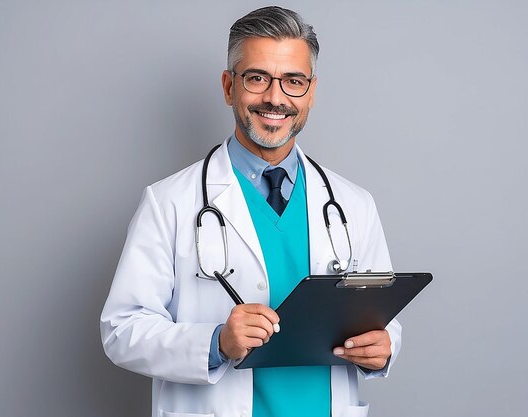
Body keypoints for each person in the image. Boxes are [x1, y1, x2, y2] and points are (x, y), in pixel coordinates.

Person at [101, 6, 401, 417]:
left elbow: (380, 310)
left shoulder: (354, 203)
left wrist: (385, 347)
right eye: (258, 78)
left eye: (293, 81)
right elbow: (121, 329)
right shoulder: (169, 201)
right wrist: (216, 342)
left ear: (311, 92)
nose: (275, 98)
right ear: (229, 87)